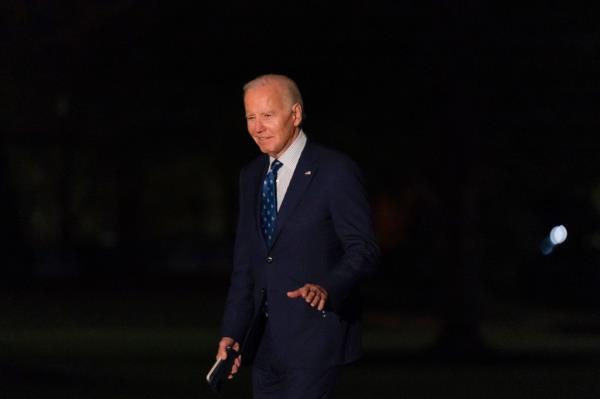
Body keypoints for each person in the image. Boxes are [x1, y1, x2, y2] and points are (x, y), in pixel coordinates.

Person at [216, 74, 380, 399]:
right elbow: (246, 266)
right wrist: (233, 332)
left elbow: (363, 249)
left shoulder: (334, 170)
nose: (257, 127)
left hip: (316, 340)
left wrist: (328, 287)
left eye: (267, 115)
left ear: (295, 115)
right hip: (264, 345)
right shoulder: (251, 177)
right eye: (250, 117)